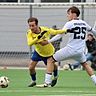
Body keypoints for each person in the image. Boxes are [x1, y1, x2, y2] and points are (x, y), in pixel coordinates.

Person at [36, 6, 96, 87]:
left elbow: (60, 35)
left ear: (74, 14)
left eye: (69, 14)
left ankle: (47, 82)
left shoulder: (70, 23)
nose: (67, 16)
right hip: (80, 51)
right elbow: (93, 31)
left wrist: (48, 41)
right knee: (85, 64)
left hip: (70, 49)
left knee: (50, 60)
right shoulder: (84, 23)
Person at [26, 17, 72, 87]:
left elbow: (55, 32)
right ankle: (33, 81)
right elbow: (29, 43)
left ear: (37, 25)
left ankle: (56, 76)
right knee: (31, 67)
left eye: (33, 25)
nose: (31, 28)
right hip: (38, 52)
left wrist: (66, 30)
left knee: (53, 66)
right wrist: (38, 37)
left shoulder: (44, 30)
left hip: (48, 52)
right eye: (30, 26)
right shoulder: (29, 33)